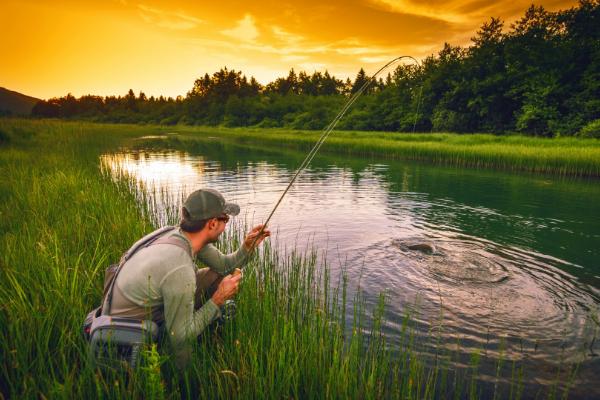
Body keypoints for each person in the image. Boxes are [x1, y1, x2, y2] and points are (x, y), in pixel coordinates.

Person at [108, 188, 270, 367]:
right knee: (183, 341)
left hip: (144, 306)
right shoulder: (179, 267)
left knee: (216, 274)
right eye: (226, 219)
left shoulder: (179, 235)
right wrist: (218, 299)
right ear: (212, 223)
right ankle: (183, 378)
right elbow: (178, 336)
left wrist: (248, 246)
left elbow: (224, 267)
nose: (226, 225)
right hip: (132, 330)